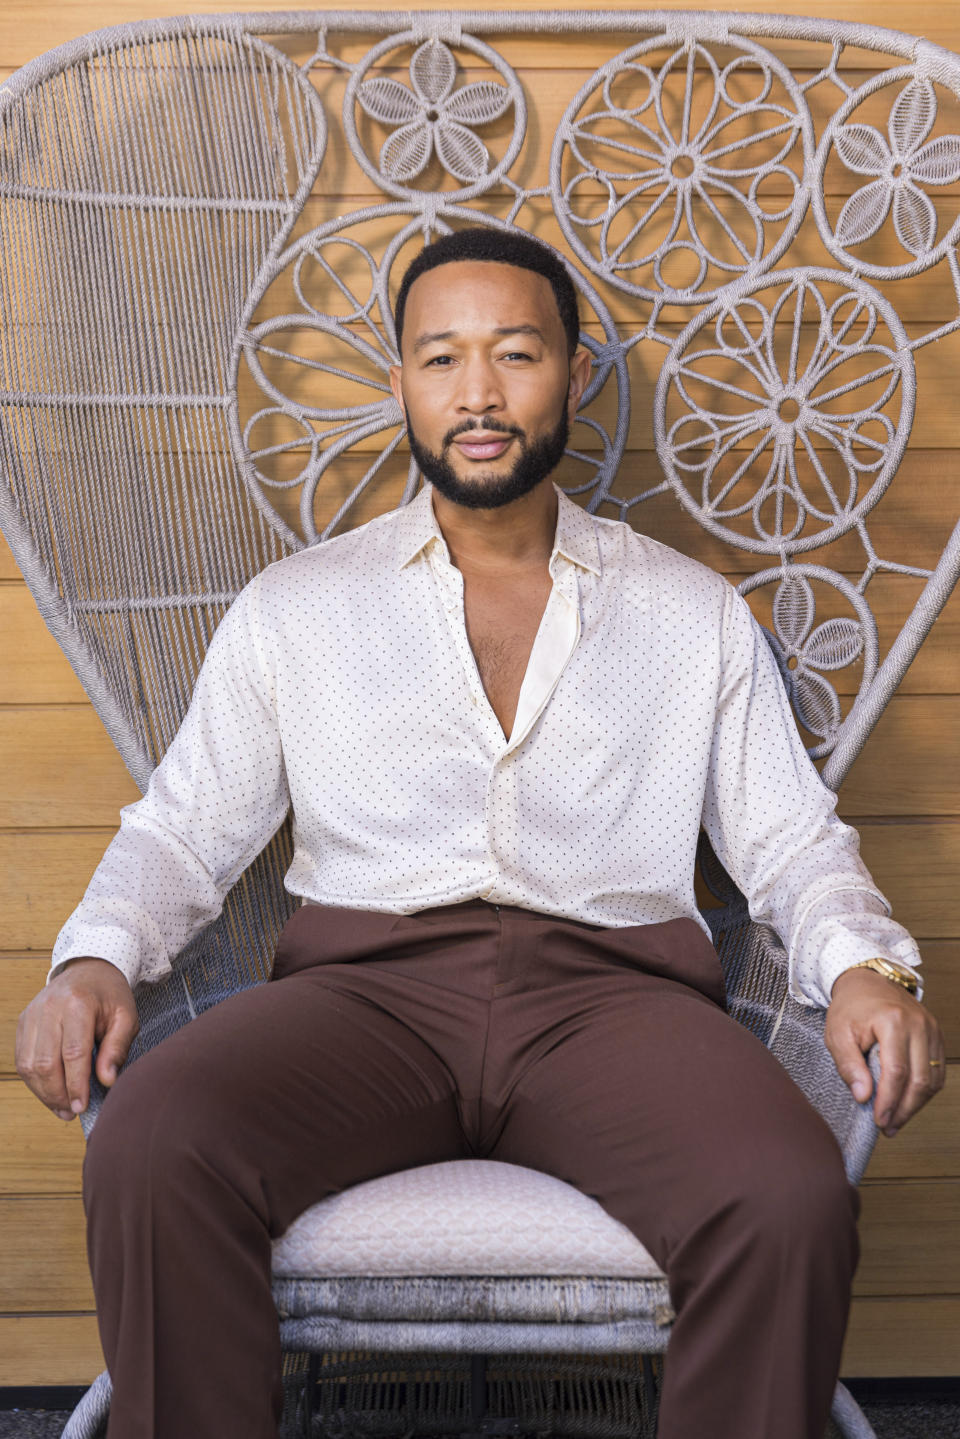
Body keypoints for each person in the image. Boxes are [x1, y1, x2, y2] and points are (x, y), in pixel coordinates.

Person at [15, 227, 945, 1439]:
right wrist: (92, 957)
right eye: (442, 358)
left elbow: (791, 842)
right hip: (364, 996)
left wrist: (868, 965)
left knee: (786, 1193)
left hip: (614, 1002)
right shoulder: (296, 608)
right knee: (149, 1146)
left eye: (517, 353)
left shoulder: (690, 610)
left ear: (572, 373)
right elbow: (184, 830)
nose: (481, 394)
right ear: (401, 382)